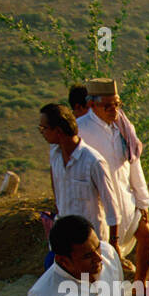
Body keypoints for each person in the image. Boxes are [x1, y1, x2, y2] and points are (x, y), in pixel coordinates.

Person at [77, 77, 149, 281]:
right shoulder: (80, 130)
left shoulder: (124, 127)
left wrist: (142, 201)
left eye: (117, 104)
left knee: (147, 236)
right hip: (99, 204)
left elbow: (134, 164)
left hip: (126, 199)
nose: (114, 109)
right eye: (107, 105)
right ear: (92, 105)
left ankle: (140, 283)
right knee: (102, 254)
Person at [38, 103, 118, 250]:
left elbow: (111, 207)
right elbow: (57, 188)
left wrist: (114, 243)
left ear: (58, 131)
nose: (41, 132)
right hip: (64, 242)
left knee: (85, 274)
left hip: (88, 246)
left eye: (44, 128)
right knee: (56, 271)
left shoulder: (93, 162)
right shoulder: (55, 156)